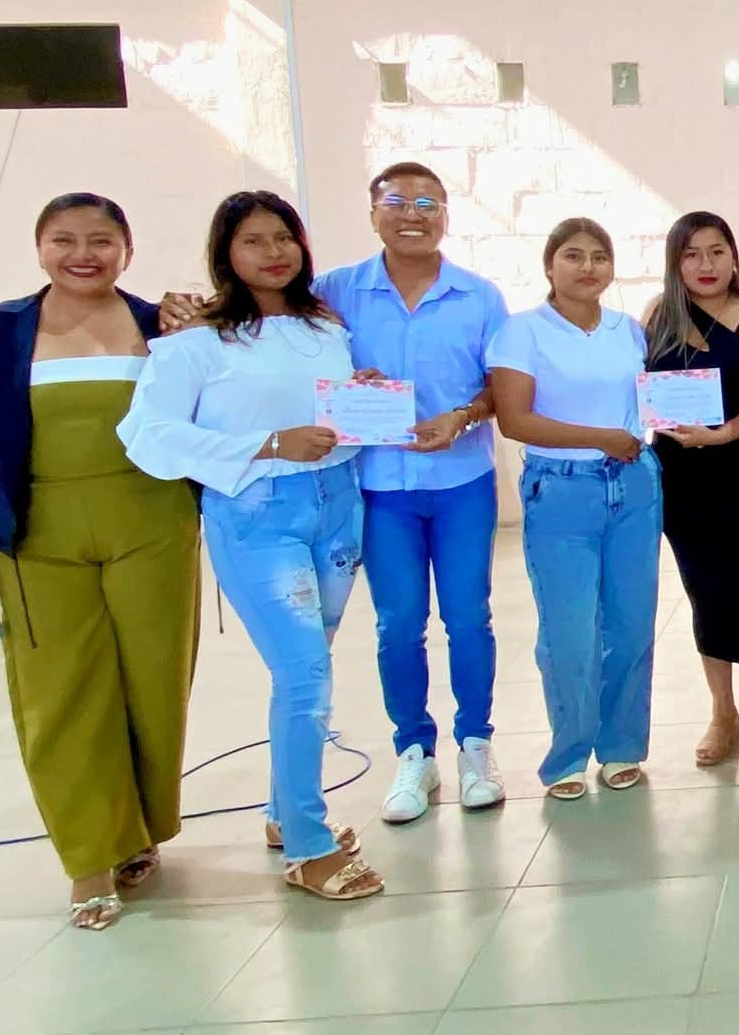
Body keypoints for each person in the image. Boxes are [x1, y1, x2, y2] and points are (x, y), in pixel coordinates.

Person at [162, 162, 511, 824]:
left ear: (446, 214)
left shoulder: (480, 297)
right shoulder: (332, 294)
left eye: (428, 203)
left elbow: (502, 386)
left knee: (469, 616)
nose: (412, 214)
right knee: (398, 623)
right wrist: (185, 310)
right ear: (373, 212)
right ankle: (414, 750)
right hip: (375, 487)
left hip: (461, 481)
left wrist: (462, 416)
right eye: (397, 201)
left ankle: (476, 744)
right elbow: (265, 329)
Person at [0, 193, 200, 931]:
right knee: (61, 693)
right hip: (35, 539)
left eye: (101, 240)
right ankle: (89, 857)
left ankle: (137, 832)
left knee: (153, 684)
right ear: (40, 248)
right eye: (64, 240)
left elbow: (214, 407)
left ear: (127, 250)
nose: (84, 254)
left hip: (153, 526)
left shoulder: (160, 327)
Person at [119, 191, 382, 902]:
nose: (273, 253)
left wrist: (357, 394)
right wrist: (268, 445)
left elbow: (315, 404)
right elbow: (148, 435)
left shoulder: (325, 326)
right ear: (225, 254)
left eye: (283, 237)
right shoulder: (196, 342)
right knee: (305, 676)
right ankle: (308, 845)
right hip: (258, 516)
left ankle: (282, 811)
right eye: (253, 241)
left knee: (308, 667)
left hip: (337, 506)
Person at [487, 218, 661, 801]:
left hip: (633, 486)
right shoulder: (522, 332)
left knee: (631, 624)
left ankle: (621, 745)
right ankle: (568, 753)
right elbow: (516, 420)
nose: (588, 267)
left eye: (599, 257)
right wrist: (601, 437)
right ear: (549, 265)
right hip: (561, 491)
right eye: (573, 255)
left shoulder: (628, 331)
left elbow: (651, 404)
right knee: (569, 631)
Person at [643, 211, 739, 776]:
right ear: (675, 262)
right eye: (691, 254)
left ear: (733, 256)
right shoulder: (657, 315)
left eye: (716, 251)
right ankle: (722, 712)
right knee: (704, 597)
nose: (705, 265)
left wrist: (722, 433)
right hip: (680, 482)